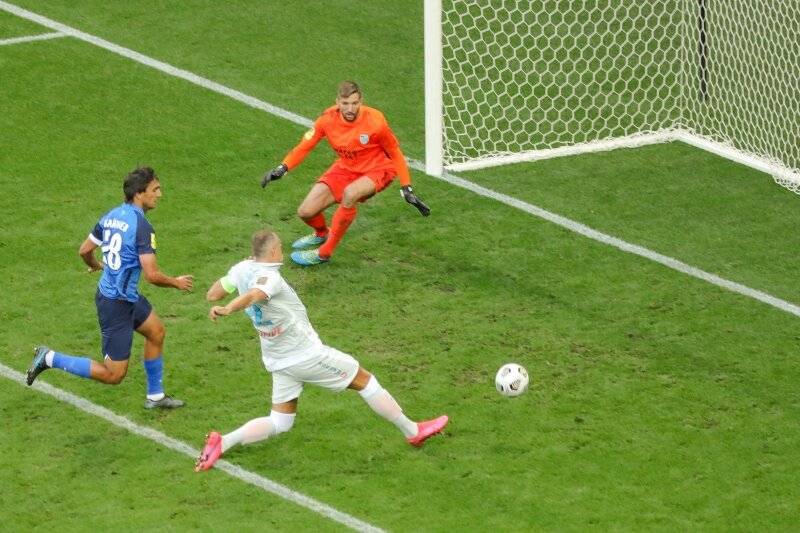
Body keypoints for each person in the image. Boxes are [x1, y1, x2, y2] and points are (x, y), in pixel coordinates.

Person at [195, 230, 448, 472]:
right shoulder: (270, 278)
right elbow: (254, 295)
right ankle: (413, 432)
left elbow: (212, 294)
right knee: (365, 380)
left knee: (281, 422)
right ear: (271, 252)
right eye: (280, 248)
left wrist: (230, 290)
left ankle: (222, 442)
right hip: (305, 355)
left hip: (278, 360)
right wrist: (229, 308)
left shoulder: (241, 269)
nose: (282, 252)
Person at [26, 167, 193, 409]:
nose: (160, 194)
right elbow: (152, 275)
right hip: (116, 305)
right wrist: (176, 282)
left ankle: (155, 396)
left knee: (156, 332)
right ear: (139, 193)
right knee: (113, 374)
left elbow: (85, 250)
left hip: (125, 296)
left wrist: (96, 265)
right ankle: (49, 358)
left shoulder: (112, 215)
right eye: (155, 189)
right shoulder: (142, 227)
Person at [260, 80, 431, 266]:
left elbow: (396, 153)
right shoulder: (327, 119)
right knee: (305, 212)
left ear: (361, 101)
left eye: (355, 103)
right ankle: (322, 234)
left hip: (379, 169)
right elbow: (305, 146)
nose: (350, 109)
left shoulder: (375, 121)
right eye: (345, 103)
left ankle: (324, 253)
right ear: (337, 102)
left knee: (350, 194)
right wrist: (283, 168)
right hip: (346, 167)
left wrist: (406, 187)